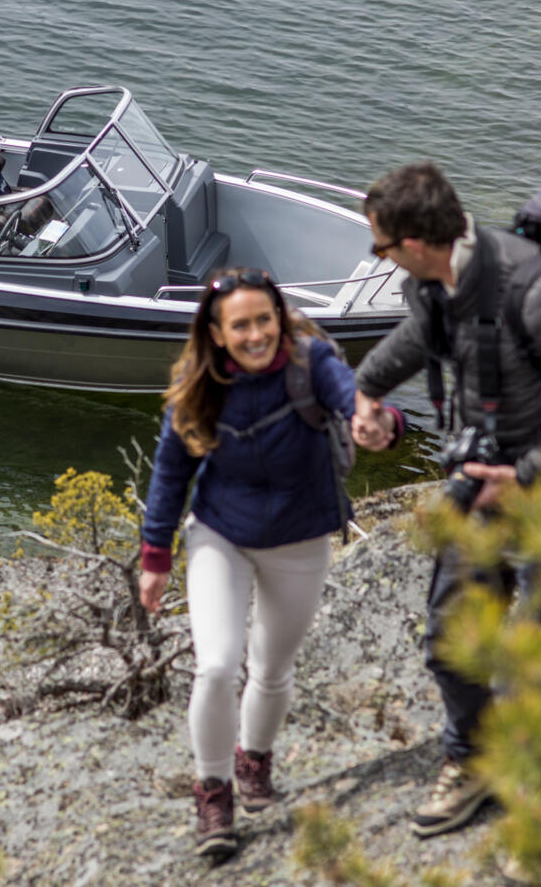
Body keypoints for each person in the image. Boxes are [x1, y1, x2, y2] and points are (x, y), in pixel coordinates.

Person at [350, 161, 541, 858]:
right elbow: (419, 338)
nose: (380, 259)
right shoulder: (435, 284)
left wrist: (527, 472)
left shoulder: (540, 290)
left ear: (414, 241)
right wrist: (365, 390)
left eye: (381, 247)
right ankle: (474, 762)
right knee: (450, 640)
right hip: (483, 484)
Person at [137, 267, 381, 861]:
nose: (255, 335)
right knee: (217, 667)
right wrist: (156, 555)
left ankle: (254, 760)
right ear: (217, 333)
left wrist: (377, 421)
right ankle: (213, 791)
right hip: (220, 535)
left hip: (300, 539)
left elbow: (351, 397)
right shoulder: (199, 384)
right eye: (240, 325)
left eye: (264, 320)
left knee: (271, 671)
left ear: (280, 319)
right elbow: (171, 471)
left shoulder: (310, 362)